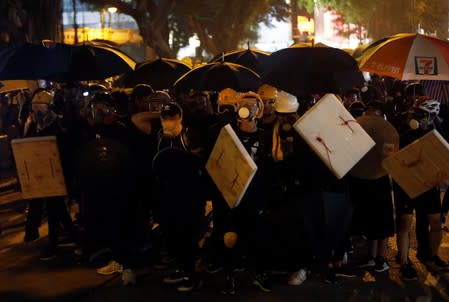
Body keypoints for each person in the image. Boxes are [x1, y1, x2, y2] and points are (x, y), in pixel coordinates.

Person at [153, 102, 206, 292]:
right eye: (165, 119)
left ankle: (192, 275)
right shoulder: (160, 137)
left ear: (180, 118)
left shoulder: (189, 136)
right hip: (168, 193)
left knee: (188, 235)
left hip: (189, 194)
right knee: (172, 233)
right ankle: (181, 268)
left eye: (172, 118)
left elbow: (199, 162)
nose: (168, 122)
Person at [394, 97, 449, 281]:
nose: (416, 116)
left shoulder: (435, 128)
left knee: (435, 221)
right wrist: (412, 131)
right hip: (406, 183)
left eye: (422, 114)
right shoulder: (404, 125)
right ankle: (403, 263)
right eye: (416, 112)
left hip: (428, 183)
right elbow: (395, 151)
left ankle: (431, 256)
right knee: (404, 223)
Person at [23, 89, 77, 260]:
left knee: (55, 208)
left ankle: (53, 245)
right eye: (35, 107)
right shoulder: (34, 125)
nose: (37, 110)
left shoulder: (57, 125)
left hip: (56, 173)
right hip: (41, 174)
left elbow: (64, 151)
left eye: (40, 107)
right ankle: (74, 235)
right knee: (57, 208)